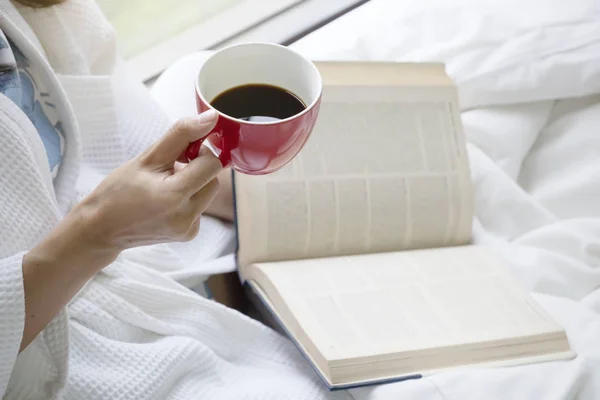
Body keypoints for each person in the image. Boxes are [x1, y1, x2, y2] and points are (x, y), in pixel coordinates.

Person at [0, 0, 342, 399]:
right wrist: (97, 234)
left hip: (116, 237)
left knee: (188, 73)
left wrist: (229, 182)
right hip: (53, 315)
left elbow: (108, 132)